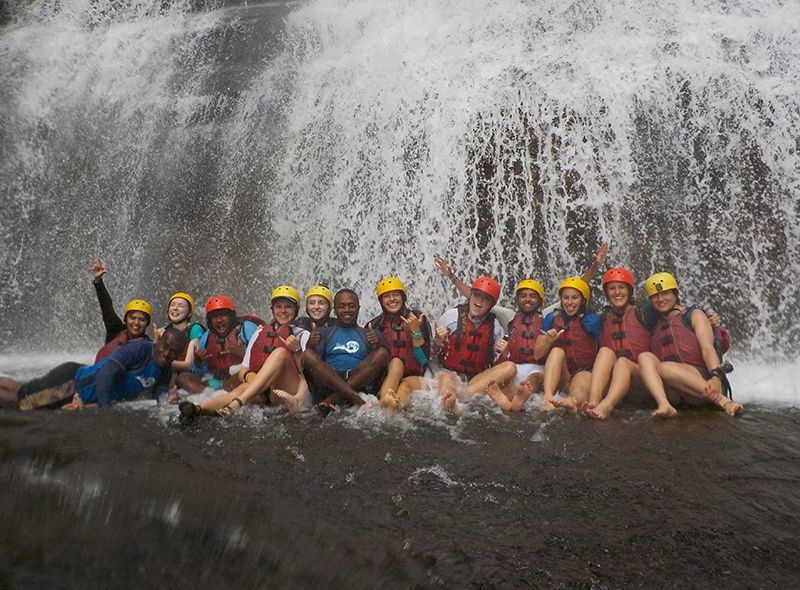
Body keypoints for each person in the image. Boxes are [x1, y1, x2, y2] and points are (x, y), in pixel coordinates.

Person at [179, 286, 312, 422]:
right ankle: (198, 410)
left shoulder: (304, 335)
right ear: (272, 310)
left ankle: (236, 404)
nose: (283, 311)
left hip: (290, 391)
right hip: (268, 391)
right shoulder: (260, 333)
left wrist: (297, 350)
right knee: (238, 390)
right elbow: (243, 370)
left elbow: (309, 377)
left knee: (281, 353)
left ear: (296, 310)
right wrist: (256, 380)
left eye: (288, 307)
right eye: (278, 307)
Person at [0, 329, 187, 410]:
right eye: (166, 347)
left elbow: (160, 388)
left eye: (174, 352)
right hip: (73, 384)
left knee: (25, 390)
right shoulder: (139, 349)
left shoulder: (165, 369)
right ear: (160, 340)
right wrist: (105, 412)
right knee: (24, 402)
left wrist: (165, 400)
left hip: (80, 389)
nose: (167, 353)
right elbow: (107, 374)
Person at [637, 272, 742, 416]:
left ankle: (724, 402)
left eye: (665, 293)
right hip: (678, 392)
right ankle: (664, 405)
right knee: (645, 357)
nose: (661, 299)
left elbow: (707, 348)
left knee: (665, 368)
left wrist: (716, 377)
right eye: (655, 296)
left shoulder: (694, 314)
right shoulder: (655, 324)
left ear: (675, 294)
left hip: (705, 380)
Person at [583, 268, 677, 419]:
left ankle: (607, 405)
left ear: (630, 290)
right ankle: (594, 402)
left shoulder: (645, 312)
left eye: (622, 288)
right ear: (606, 293)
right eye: (612, 289)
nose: (617, 292)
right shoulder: (603, 318)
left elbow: (667, 303)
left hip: (644, 379)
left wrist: (706, 315)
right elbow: (575, 296)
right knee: (605, 352)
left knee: (623, 363)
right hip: (617, 384)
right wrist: (595, 266)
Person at [432, 276, 516, 417]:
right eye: (477, 295)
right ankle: (451, 402)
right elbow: (432, 354)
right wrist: (437, 340)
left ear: (491, 304)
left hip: (475, 379)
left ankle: (462, 398)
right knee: (447, 379)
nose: (479, 301)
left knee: (510, 367)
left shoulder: (495, 327)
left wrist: (505, 352)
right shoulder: (451, 317)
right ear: (470, 296)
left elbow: (496, 363)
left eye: (486, 298)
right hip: (449, 373)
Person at [300, 289, 389, 414]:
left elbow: (383, 362)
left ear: (358, 308)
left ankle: (335, 398)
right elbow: (313, 362)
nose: (347, 310)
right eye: (341, 306)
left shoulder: (369, 333)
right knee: (307, 355)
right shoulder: (324, 332)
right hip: (330, 379)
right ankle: (353, 397)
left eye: (351, 306)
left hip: (358, 378)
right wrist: (311, 345)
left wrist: (379, 344)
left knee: (382, 353)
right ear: (335, 310)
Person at [534, 277, 601, 411]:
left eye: (574, 298)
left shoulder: (592, 321)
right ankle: (548, 397)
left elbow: (603, 351)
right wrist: (548, 341)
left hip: (583, 371)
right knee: (556, 351)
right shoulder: (551, 318)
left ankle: (572, 401)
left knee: (579, 388)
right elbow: (537, 354)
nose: (569, 302)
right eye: (566, 298)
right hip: (560, 373)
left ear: (583, 300)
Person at [368, 277, 432, 412]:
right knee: (396, 363)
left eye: (396, 295)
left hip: (416, 377)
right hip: (388, 377)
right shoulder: (375, 325)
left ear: (403, 298)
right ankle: (391, 407)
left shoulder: (418, 318)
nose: (392, 299)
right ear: (381, 301)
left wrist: (415, 330)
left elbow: (423, 360)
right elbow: (370, 363)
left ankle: (387, 403)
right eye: (386, 296)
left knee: (404, 385)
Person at [175, 295, 259, 394]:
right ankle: (212, 397)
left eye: (223, 315)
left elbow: (263, 360)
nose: (219, 320)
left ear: (231, 316)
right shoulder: (206, 337)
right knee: (183, 378)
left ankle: (217, 398)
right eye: (214, 317)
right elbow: (202, 373)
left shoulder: (246, 328)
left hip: (240, 378)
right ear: (209, 321)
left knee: (238, 375)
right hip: (216, 383)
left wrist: (243, 353)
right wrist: (198, 362)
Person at [485, 279, 547, 412]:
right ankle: (509, 402)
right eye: (523, 296)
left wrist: (594, 266)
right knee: (510, 384)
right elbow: (483, 299)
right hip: (515, 366)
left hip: (538, 368)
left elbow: (573, 292)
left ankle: (516, 400)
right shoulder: (510, 317)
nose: (527, 299)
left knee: (533, 380)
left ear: (540, 301)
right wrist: (452, 276)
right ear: (518, 299)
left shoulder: (549, 317)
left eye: (532, 296)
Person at [90, 259, 153, 362]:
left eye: (142, 320)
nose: (136, 323)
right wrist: (98, 282)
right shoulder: (115, 329)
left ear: (147, 323)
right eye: (132, 318)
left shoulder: (148, 345)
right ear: (126, 319)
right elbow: (106, 306)